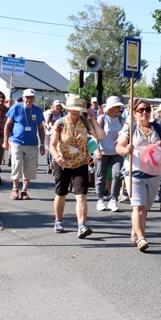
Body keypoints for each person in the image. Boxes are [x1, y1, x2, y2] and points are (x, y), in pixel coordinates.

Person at [115, 98, 161, 252]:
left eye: (147, 109)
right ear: (135, 113)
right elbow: (119, 147)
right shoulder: (130, 129)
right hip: (135, 172)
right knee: (138, 206)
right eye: (141, 110)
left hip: (154, 173)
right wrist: (127, 150)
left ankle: (136, 232)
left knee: (145, 208)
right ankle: (141, 237)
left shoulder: (157, 127)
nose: (144, 112)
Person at [48, 95, 105, 238]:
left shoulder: (85, 122)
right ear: (68, 109)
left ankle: (81, 226)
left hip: (81, 163)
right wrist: (57, 157)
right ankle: (58, 221)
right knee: (61, 194)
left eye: (77, 110)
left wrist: (93, 119)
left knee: (81, 196)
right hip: (63, 164)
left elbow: (101, 136)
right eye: (73, 110)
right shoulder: (60, 123)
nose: (75, 113)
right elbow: (52, 145)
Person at [2, 88, 46, 200]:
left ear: (34, 98)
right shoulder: (16, 108)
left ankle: (24, 191)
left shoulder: (37, 110)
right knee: (16, 165)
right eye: (27, 97)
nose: (29, 99)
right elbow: (7, 125)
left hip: (32, 144)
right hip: (17, 142)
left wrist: (42, 144)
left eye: (31, 97)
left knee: (30, 168)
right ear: (23, 97)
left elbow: (41, 128)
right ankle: (15, 189)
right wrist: (5, 141)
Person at [94, 96, 126, 212]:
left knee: (117, 174)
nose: (120, 109)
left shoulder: (121, 120)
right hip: (102, 152)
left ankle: (113, 199)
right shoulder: (102, 118)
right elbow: (96, 135)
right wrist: (97, 150)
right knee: (100, 176)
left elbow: (125, 134)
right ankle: (100, 199)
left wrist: (122, 142)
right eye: (118, 107)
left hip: (116, 152)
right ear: (111, 108)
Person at [43, 100, 66, 173]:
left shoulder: (63, 114)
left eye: (59, 106)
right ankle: (48, 165)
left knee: (59, 148)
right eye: (56, 106)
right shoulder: (51, 113)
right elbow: (46, 122)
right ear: (53, 106)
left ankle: (57, 162)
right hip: (49, 133)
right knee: (50, 148)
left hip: (59, 133)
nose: (58, 107)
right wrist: (48, 127)